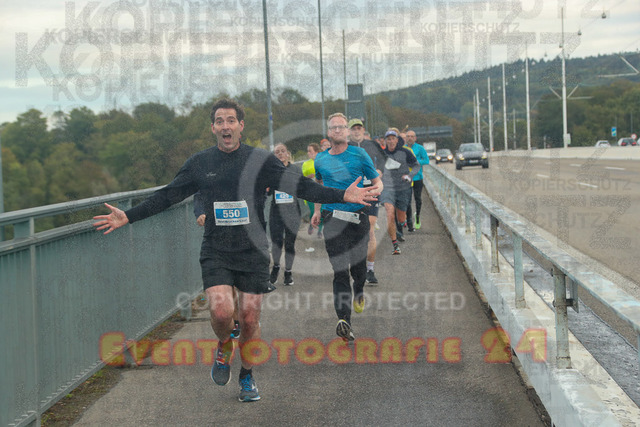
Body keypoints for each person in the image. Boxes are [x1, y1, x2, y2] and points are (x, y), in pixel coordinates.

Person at [93, 98, 379, 402]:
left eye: (231, 120)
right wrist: (129, 216)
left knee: (250, 319)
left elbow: (302, 187)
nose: (225, 126)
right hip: (217, 250)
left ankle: (246, 375)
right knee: (221, 312)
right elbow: (167, 196)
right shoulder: (200, 163)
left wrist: (342, 194)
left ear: (241, 126)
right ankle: (224, 345)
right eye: (220, 121)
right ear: (213, 128)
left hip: (252, 251)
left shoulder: (261, 161)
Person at [312, 112, 383, 341]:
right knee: (340, 271)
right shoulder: (320, 159)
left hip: (358, 217)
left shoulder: (359, 154)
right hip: (332, 218)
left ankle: (359, 289)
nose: (338, 130)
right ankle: (344, 321)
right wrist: (316, 211)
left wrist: (373, 192)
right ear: (328, 132)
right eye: (333, 127)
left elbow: (377, 182)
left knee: (358, 270)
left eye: (341, 127)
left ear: (347, 131)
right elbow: (319, 187)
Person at [194, 192, 241, 338]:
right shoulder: (210, 178)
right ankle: (234, 324)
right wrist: (200, 212)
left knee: (238, 286)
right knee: (227, 285)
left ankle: (241, 319)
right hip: (217, 240)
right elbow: (199, 194)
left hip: (243, 238)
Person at [347, 118, 387, 285]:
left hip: (370, 191)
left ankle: (370, 269)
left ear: (363, 130)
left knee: (370, 229)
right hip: (352, 194)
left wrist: (379, 171)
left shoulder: (372, 145)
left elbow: (383, 160)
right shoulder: (344, 147)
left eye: (359, 128)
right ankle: (355, 267)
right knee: (352, 233)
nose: (356, 131)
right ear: (349, 131)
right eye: (353, 129)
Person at [268, 143, 303, 286]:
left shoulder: (295, 170)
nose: (280, 154)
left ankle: (288, 272)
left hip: (292, 211)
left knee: (289, 244)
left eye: (283, 151)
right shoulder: (271, 171)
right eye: (277, 152)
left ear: (288, 153)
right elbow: (267, 191)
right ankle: (276, 267)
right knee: (276, 243)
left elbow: (302, 188)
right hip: (276, 212)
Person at [380, 129, 419, 255]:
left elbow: (416, 165)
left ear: (397, 140)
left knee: (401, 217)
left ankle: (402, 223)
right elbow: (376, 168)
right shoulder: (382, 153)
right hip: (387, 188)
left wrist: (409, 176)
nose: (391, 141)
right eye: (388, 139)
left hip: (403, 188)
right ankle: (395, 244)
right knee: (389, 213)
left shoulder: (405, 152)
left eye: (393, 139)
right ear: (385, 141)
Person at [403, 130, 429, 231]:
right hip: (407, 179)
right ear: (405, 138)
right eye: (408, 136)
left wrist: (416, 162)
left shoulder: (420, 148)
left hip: (417, 177)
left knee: (418, 199)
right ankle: (408, 219)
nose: (410, 138)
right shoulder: (403, 149)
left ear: (415, 138)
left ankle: (417, 216)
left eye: (412, 136)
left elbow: (426, 160)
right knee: (407, 200)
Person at [302, 143, 320, 235]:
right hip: (310, 192)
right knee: (313, 210)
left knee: (321, 211)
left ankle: (320, 231)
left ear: (316, 152)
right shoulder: (305, 164)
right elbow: (302, 177)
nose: (308, 153)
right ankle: (311, 223)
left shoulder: (322, 161)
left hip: (321, 190)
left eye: (310, 151)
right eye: (307, 151)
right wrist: (309, 177)